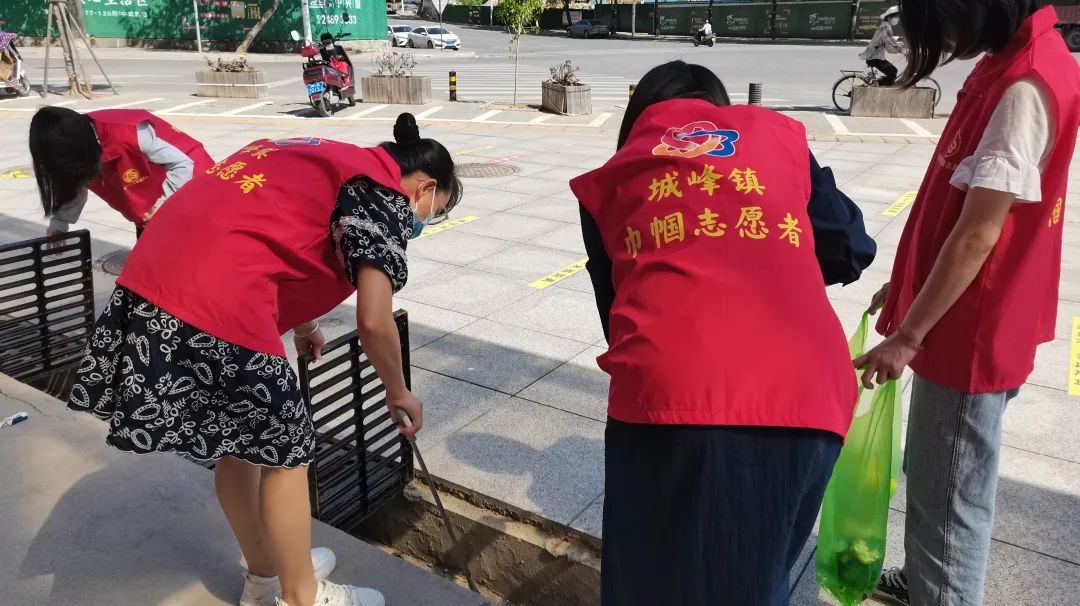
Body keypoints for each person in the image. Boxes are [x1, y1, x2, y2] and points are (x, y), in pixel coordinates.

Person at [66, 113, 462, 606]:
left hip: (153, 282)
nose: (422, 221)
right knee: (286, 450)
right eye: (434, 212)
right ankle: (302, 597)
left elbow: (274, 231)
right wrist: (398, 390)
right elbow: (375, 320)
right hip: (214, 302)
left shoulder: (320, 153)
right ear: (425, 188)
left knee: (240, 442)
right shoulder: (381, 194)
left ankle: (264, 578)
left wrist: (305, 326)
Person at [570, 60, 876, 605]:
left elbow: (615, 314)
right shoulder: (776, 140)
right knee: (757, 577)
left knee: (646, 583)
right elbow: (851, 248)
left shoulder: (617, 174)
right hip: (807, 394)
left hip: (669, 392)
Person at [855, 1, 1080, 604]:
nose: (946, 42)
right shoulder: (1018, 60)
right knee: (941, 473)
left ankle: (944, 590)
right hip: (972, 312)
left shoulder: (1023, 86)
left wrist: (907, 335)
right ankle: (925, 579)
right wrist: (907, 283)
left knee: (950, 496)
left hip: (970, 332)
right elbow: (955, 208)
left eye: (945, 26)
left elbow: (979, 232)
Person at [28, 106, 214, 239]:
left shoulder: (127, 134)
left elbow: (183, 164)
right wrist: (60, 223)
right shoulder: (76, 148)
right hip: (150, 210)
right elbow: (75, 182)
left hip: (193, 185)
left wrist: (161, 207)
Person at [859, 5, 904, 86]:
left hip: (876, 57)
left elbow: (892, 40)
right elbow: (888, 44)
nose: (897, 19)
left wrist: (900, 47)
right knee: (892, 73)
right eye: (896, 16)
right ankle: (875, 87)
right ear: (889, 17)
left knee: (893, 71)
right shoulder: (884, 28)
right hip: (874, 58)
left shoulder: (886, 26)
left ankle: (878, 85)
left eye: (898, 16)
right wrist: (902, 51)